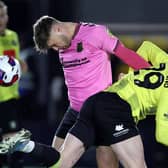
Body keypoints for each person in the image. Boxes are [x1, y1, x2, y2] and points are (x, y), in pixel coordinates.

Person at [1, 41, 168, 168]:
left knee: (61, 163)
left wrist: (135, 76)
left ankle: (24, 145)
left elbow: (146, 47)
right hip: (117, 110)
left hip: (96, 101)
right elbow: (162, 134)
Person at [33, 16, 150, 168]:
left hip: (102, 112)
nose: (56, 49)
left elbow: (126, 54)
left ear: (58, 29)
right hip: (75, 111)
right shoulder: (63, 44)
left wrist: (154, 74)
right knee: (54, 162)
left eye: (54, 44)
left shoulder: (95, 33)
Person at [0, 1, 27, 167]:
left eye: (3, 15)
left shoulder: (12, 36)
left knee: (16, 150)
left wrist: (20, 65)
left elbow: (14, 63)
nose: (1, 20)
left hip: (10, 99)